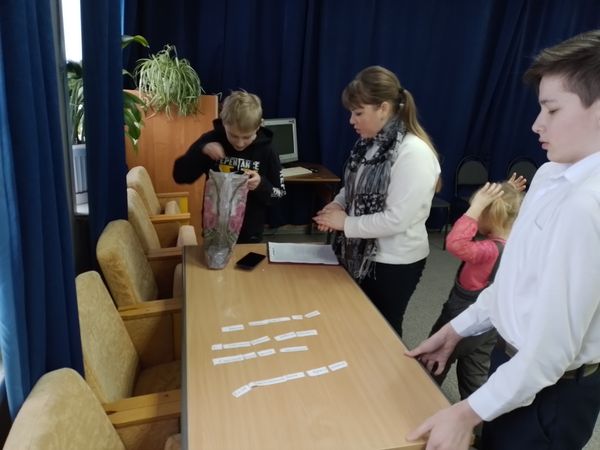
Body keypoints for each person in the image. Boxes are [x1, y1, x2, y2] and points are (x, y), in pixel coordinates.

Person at [406, 29, 600, 450]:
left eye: (552, 109)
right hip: (512, 367)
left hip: (551, 393)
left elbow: (550, 351)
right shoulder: (549, 174)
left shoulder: (587, 205)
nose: (536, 124)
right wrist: (456, 329)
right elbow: (514, 281)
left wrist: (466, 412)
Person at [313, 65, 440, 338]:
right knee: (358, 324)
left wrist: (345, 223)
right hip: (361, 254)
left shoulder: (413, 153)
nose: (351, 120)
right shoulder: (369, 144)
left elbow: (396, 220)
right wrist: (337, 204)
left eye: (358, 113)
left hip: (393, 262)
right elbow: (352, 187)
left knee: (383, 332)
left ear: (383, 108)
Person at [428, 178, 524, 400]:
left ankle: (420, 401)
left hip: (461, 317)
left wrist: (475, 208)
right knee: (475, 373)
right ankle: (477, 416)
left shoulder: (489, 250)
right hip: (489, 326)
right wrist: (507, 191)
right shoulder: (515, 243)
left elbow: (455, 243)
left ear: (490, 216)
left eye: (478, 212)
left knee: (433, 359)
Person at [173, 90, 286, 243]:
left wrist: (260, 184)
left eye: (247, 137)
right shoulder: (211, 140)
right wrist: (201, 151)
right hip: (214, 229)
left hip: (249, 234)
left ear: (258, 126)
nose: (239, 143)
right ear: (224, 123)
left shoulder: (268, 150)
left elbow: (279, 195)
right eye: (233, 135)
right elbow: (180, 176)